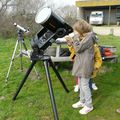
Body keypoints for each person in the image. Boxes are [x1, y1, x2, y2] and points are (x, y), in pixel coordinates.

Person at [65, 19, 95, 115]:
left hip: (85, 65)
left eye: (75, 30)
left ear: (81, 29)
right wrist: (71, 42)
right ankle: (82, 101)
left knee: (85, 85)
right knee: (81, 84)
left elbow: (78, 48)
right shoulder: (84, 37)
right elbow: (78, 48)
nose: (74, 32)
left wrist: (75, 38)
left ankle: (89, 105)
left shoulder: (89, 37)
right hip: (81, 64)